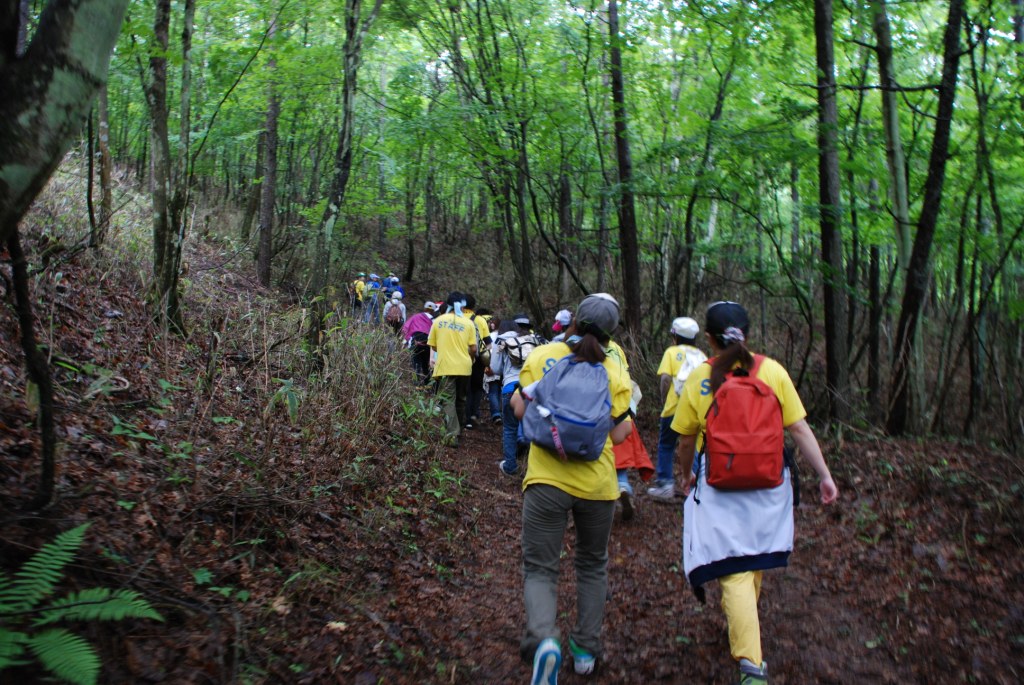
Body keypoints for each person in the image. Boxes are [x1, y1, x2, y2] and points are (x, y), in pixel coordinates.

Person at [671, 301, 839, 685]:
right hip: (769, 485)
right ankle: (744, 624)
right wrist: (824, 476)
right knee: (753, 555)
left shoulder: (701, 376)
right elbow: (799, 430)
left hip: (718, 482)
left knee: (733, 566)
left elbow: (683, 439)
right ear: (747, 333)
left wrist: (687, 475)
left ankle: (750, 664)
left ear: (709, 339)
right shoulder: (773, 371)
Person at [509, 293, 633, 684]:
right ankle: (584, 651)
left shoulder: (544, 354)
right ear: (612, 331)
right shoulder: (615, 367)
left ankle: (545, 639)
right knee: (592, 564)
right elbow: (623, 430)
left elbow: (518, 409)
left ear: (574, 320)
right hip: (598, 485)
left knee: (541, 568)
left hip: (546, 479)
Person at [648, 317, 707, 502]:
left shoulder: (672, 352)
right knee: (696, 447)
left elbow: (665, 378)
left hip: (674, 407)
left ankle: (665, 484)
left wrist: (664, 397)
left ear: (675, 336)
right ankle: (695, 485)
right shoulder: (703, 356)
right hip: (697, 411)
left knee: (666, 444)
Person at [427, 292, 477, 447]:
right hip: (464, 366)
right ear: (462, 306)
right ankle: (458, 428)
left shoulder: (438, 321)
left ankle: (452, 434)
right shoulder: (468, 323)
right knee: (461, 399)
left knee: (448, 400)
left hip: (446, 366)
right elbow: (473, 348)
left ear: (448, 305)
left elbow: (434, 346)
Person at [491, 316, 533, 476]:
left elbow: (495, 368)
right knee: (531, 425)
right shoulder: (535, 340)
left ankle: (510, 465)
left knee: (509, 428)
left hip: (510, 386)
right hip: (532, 387)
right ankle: (530, 465)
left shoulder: (501, 340)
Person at [462, 294, 492, 429]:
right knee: (477, 387)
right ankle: (474, 414)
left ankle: (466, 419)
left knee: (465, 388)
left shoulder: (458, 318)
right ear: (474, 306)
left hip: (462, 356)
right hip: (479, 358)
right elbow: (488, 343)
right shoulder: (480, 320)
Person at [403, 301, 438, 384]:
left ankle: (416, 382)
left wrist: (406, 339)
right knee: (426, 363)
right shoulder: (434, 320)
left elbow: (406, 327)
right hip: (428, 343)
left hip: (415, 342)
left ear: (424, 308)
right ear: (433, 311)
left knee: (416, 362)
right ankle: (427, 382)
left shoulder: (416, 316)